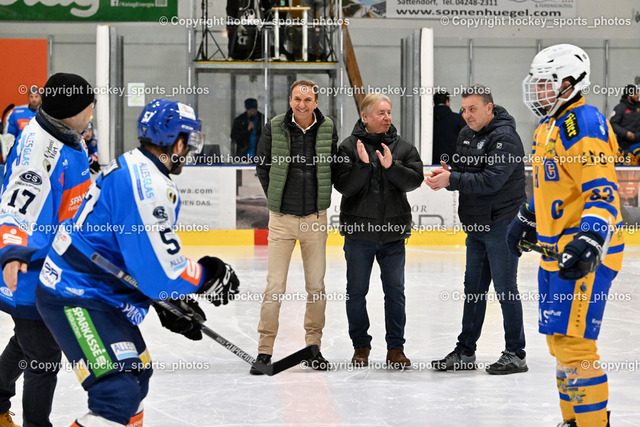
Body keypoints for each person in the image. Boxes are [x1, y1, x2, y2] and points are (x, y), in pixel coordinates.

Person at [35, 98, 240, 426]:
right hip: (75, 293)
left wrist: (164, 300)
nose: (190, 150)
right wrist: (207, 276)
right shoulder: (147, 186)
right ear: (178, 142)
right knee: (116, 393)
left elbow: (130, 252)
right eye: (190, 141)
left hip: (97, 290)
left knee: (137, 375)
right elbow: (160, 273)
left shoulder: (138, 165)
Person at [509, 43, 624, 427]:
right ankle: (574, 420)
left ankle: (594, 424)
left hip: (585, 249)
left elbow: (602, 193)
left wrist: (590, 239)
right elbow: (553, 185)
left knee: (576, 346)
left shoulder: (584, 124)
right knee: (559, 343)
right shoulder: (548, 126)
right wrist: (528, 216)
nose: (538, 90)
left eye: (545, 83)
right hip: (555, 251)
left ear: (569, 83)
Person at [0, 73, 94, 427]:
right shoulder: (41, 154)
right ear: (72, 112)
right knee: (43, 357)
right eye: (89, 107)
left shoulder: (67, 136)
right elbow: (15, 210)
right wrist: (13, 254)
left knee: (27, 343)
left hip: (52, 266)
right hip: (28, 271)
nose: (92, 114)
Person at [427, 84, 528, 375]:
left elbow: (491, 180)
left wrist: (453, 179)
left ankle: (516, 353)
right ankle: (465, 351)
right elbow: (466, 174)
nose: (467, 115)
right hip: (477, 224)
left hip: (502, 224)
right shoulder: (466, 134)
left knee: (505, 289)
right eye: (464, 109)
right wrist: (448, 175)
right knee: (473, 290)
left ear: (489, 108)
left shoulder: (505, 138)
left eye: (473, 109)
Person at [253, 80, 338, 374]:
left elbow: (334, 167)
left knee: (316, 286)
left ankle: (313, 347)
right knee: (274, 287)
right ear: (290, 100)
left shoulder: (327, 127)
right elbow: (262, 166)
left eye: (307, 99)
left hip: (315, 219)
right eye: (297, 99)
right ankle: (264, 351)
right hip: (281, 221)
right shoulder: (275, 126)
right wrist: (276, 198)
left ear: (316, 102)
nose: (302, 104)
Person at [334, 93, 423, 368]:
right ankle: (360, 346)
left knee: (395, 293)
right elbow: (344, 186)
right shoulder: (348, 147)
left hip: (393, 236)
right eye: (381, 113)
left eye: (389, 112)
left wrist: (391, 167)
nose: (387, 118)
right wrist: (362, 165)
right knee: (356, 292)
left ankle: (396, 348)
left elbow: (414, 181)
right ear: (365, 116)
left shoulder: (403, 147)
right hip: (359, 235)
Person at [1, 86, 42, 163]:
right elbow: (9, 135)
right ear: (28, 97)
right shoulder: (16, 113)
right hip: (20, 151)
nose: (34, 99)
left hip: (41, 150)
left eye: (36, 96)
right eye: (31, 97)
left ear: (40, 97)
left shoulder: (47, 113)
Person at [432, 90, 466, 165]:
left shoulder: (428, 120)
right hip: (453, 160)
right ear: (447, 102)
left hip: (431, 160)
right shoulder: (457, 118)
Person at [610, 84, 640, 154]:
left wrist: (636, 136)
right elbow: (613, 124)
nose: (638, 95)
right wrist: (626, 133)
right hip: (625, 147)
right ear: (629, 96)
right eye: (635, 94)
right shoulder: (619, 108)